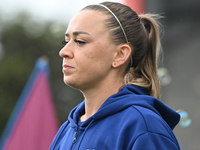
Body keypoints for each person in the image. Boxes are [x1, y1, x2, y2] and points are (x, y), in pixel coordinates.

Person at [50, 1, 180, 150]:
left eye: (80, 41)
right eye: (66, 41)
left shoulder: (144, 127)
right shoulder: (66, 131)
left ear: (120, 55)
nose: (63, 51)